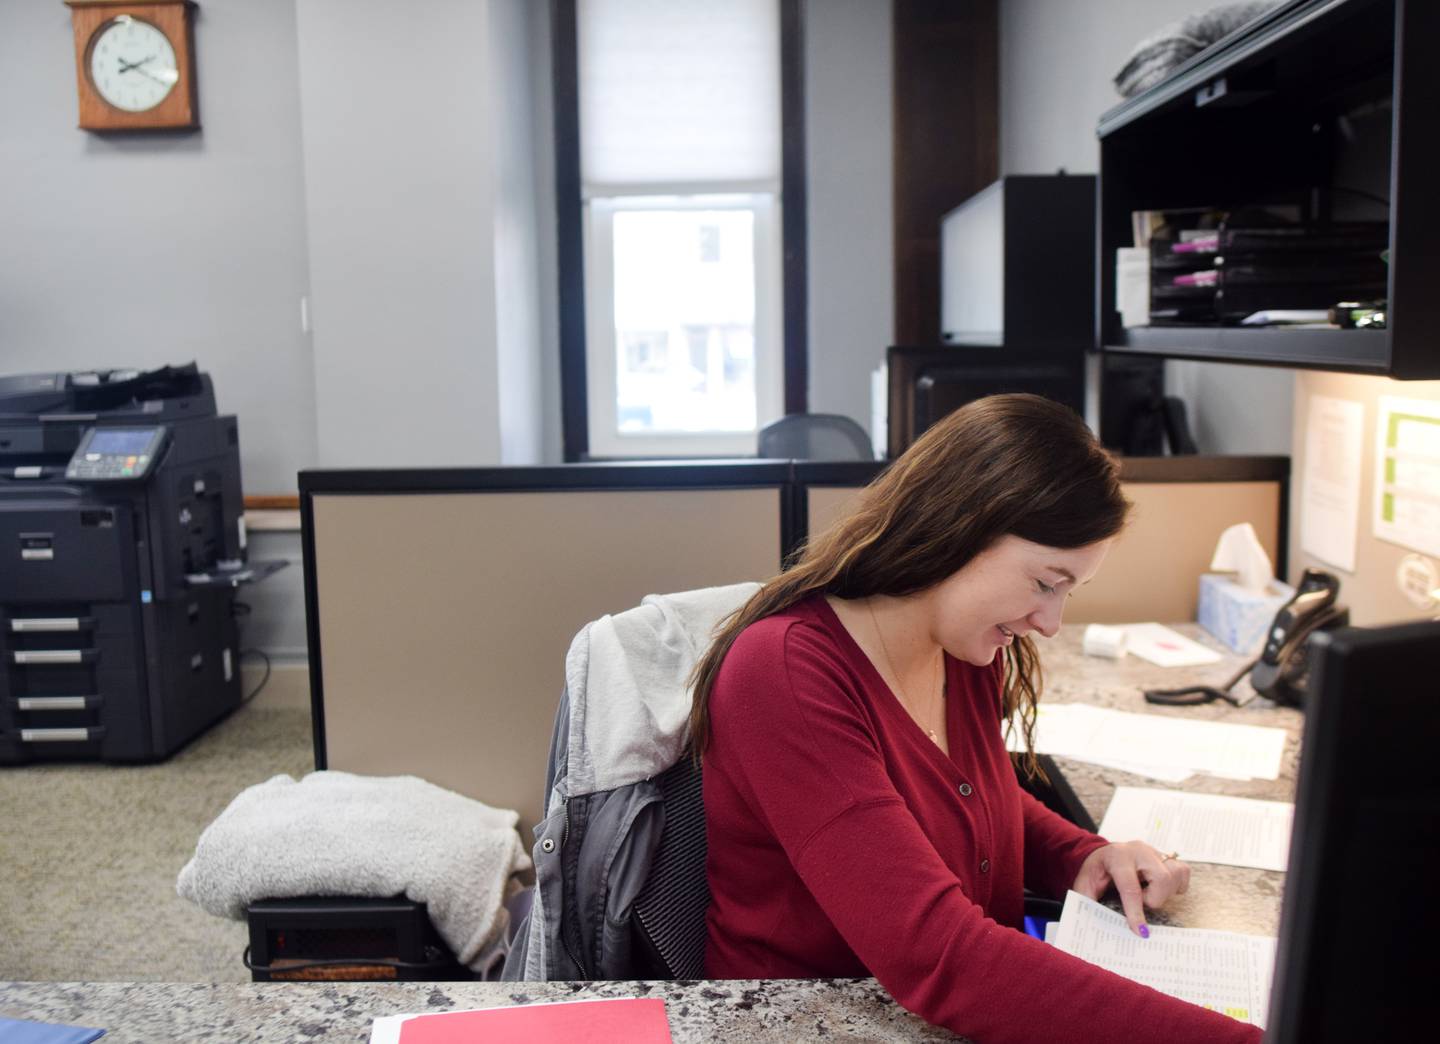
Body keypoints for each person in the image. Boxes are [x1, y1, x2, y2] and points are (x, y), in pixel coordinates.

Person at [689, 394, 1262, 1043]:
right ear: (957, 529)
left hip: (935, 1015)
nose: (1050, 624)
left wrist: (1082, 853)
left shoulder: (962, 644)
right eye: (1046, 583)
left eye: (1070, 590)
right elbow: (938, 954)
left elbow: (959, 794)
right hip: (804, 1023)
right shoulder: (784, 672)